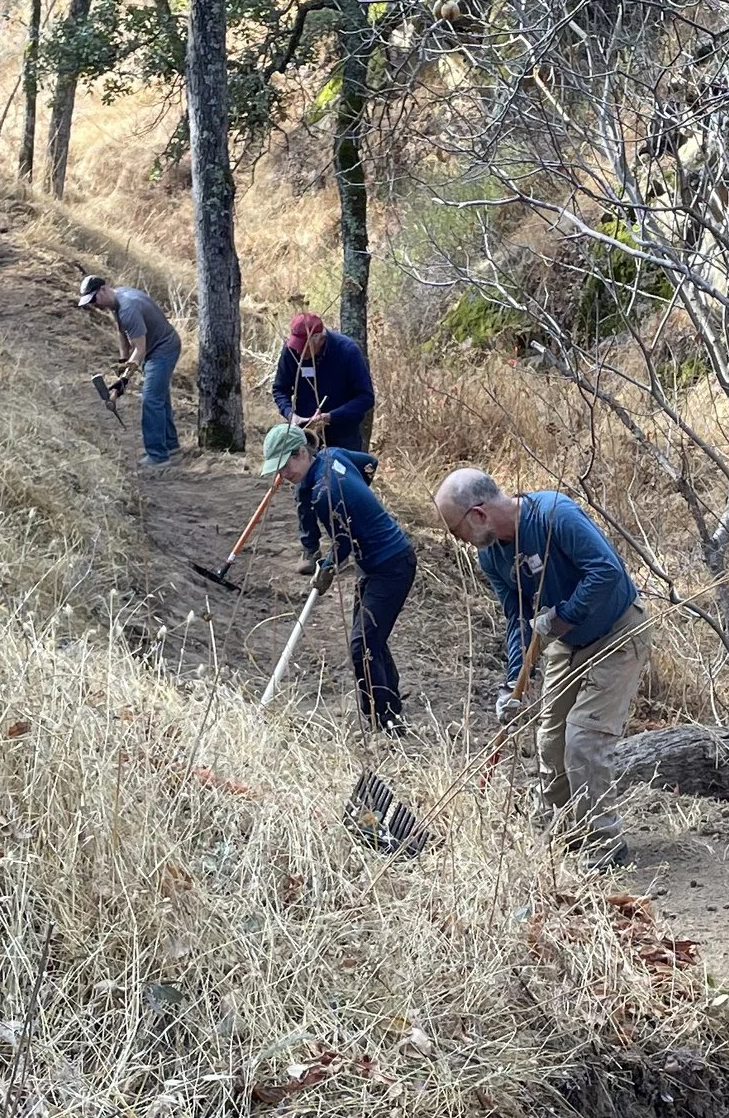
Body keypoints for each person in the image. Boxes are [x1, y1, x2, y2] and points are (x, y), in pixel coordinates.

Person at [433, 468, 648, 839]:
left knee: (584, 741)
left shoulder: (553, 514)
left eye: (457, 530)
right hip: (566, 643)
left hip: (616, 633)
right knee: (550, 741)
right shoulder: (492, 558)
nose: (462, 540)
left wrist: (563, 617)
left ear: (478, 514)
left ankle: (602, 843)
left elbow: (606, 571)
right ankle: (558, 832)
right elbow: (516, 616)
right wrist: (512, 682)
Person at [263, 424, 416, 731]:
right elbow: (369, 462)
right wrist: (361, 500)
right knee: (371, 638)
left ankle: (383, 721)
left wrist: (327, 566)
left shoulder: (325, 494)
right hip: (373, 563)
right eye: (276, 469)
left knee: (363, 644)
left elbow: (343, 542)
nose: (282, 475)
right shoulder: (333, 455)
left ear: (302, 453)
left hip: (391, 565)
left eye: (285, 466)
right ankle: (389, 709)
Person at [77, 271, 182, 466]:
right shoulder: (118, 300)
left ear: (103, 289)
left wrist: (124, 381)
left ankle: (158, 456)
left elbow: (140, 349)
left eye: (94, 299)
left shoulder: (128, 308)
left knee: (151, 399)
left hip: (163, 349)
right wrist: (123, 362)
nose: (94, 304)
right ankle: (171, 444)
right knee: (160, 396)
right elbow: (122, 334)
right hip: (156, 347)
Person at [272, 310, 375, 457]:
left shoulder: (347, 351)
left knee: (341, 479)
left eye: (304, 347)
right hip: (305, 435)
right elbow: (280, 389)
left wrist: (330, 417)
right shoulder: (291, 351)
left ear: (318, 338)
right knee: (307, 479)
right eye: (297, 346)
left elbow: (365, 398)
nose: (299, 353)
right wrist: (290, 414)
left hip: (343, 437)